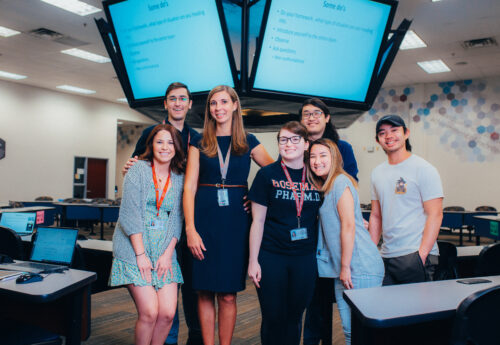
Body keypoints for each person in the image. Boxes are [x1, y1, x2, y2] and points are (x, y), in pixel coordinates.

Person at [183, 85, 273, 345]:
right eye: (213, 103)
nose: (218, 108)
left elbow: (274, 172)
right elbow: (189, 187)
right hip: (204, 221)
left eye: (224, 102)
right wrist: (190, 228)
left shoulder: (248, 141)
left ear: (235, 105)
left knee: (228, 295)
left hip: (235, 223)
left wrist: (254, 196)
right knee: (203, 292)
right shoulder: (198, 142)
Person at [122, 82, 201, 345]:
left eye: (183, 99)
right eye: (172, 99)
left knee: (186, 294)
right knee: (157, 306)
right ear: (165, 104)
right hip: (148, 232)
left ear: (190, 104)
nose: (178, 103)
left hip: (182, 228)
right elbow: (136, 166)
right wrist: (130, 170)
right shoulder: (149, 133)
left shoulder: (197, 139)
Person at [110, 124, 185, 345]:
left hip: (164, 249)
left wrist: (167, 254)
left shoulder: (179, 176)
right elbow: (129, 214)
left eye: (170, 143)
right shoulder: (138, 169)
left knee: (167, 314)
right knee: (150, 312)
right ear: (151, 145)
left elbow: (177, 218)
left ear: (177, 147)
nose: (164, 147)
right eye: (159, 142)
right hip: (134, 249)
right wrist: (141, 254)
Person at [247, 121, 322, 345]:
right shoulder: (266, 175)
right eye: (283, 140)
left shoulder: (317, 176)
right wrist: (253, 261)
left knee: (294, 316)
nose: (288, 144)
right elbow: (257, 221)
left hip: (304, 258)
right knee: (273, 316)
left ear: (307, 144)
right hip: (272, 256)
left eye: (295, 139)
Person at [308, 138, 384, 345]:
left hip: (359, 266)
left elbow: (348, 226)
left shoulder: (341, 181)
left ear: (335, 158)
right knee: (351, 332)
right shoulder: (328, 186)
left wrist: (345, 267)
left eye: (323, 155)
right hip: (346, 268)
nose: (317, 161)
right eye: (313, 156)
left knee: (361, 332)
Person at [300, 97, 359, 345]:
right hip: (306, 231)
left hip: (333, 231)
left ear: (327, 117)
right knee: (315, 302)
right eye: (306, 114)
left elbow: (351, 184)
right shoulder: (298, 148)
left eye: (317, 113)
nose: (311, 117)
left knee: (344, 301)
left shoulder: (342, 148)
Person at [369, 114, 443, 285]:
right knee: (386, 309)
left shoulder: (423, 168)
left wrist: (422, 255)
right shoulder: (377, 173)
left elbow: (436, 214)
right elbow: (376, 216)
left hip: (414, 254)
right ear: (377, 139)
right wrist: (371, 252)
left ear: (406, 133)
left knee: (417, 310)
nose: (388, 136)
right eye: (382, 133)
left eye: (394, 130)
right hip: (386, 255)